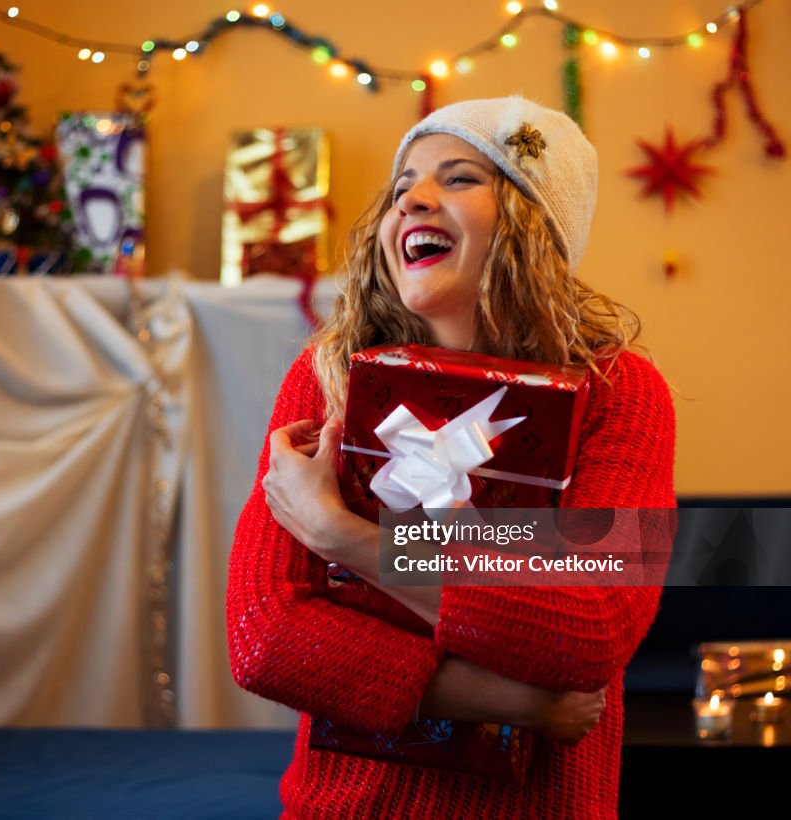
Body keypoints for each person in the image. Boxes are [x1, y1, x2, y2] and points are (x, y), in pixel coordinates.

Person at [226, 96, 675, 818]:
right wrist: (511, 700)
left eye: (460, 178)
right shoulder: (325, 377)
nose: (413, 201)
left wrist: (343, 537)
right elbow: (267, 636)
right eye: (403, 187)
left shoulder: (622, 393)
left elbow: (588, 629)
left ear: (534, 222)